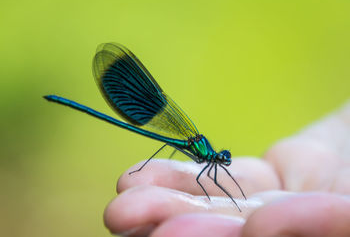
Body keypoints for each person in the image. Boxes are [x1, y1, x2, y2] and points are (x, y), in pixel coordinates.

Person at [104, 102, 350, 237]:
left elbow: (214, 177)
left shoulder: (210, 159)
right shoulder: (205, 155)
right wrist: (230, 198)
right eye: (222, 159)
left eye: (223, 159)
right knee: (165, 146)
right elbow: (204, 181)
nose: (223, 162)